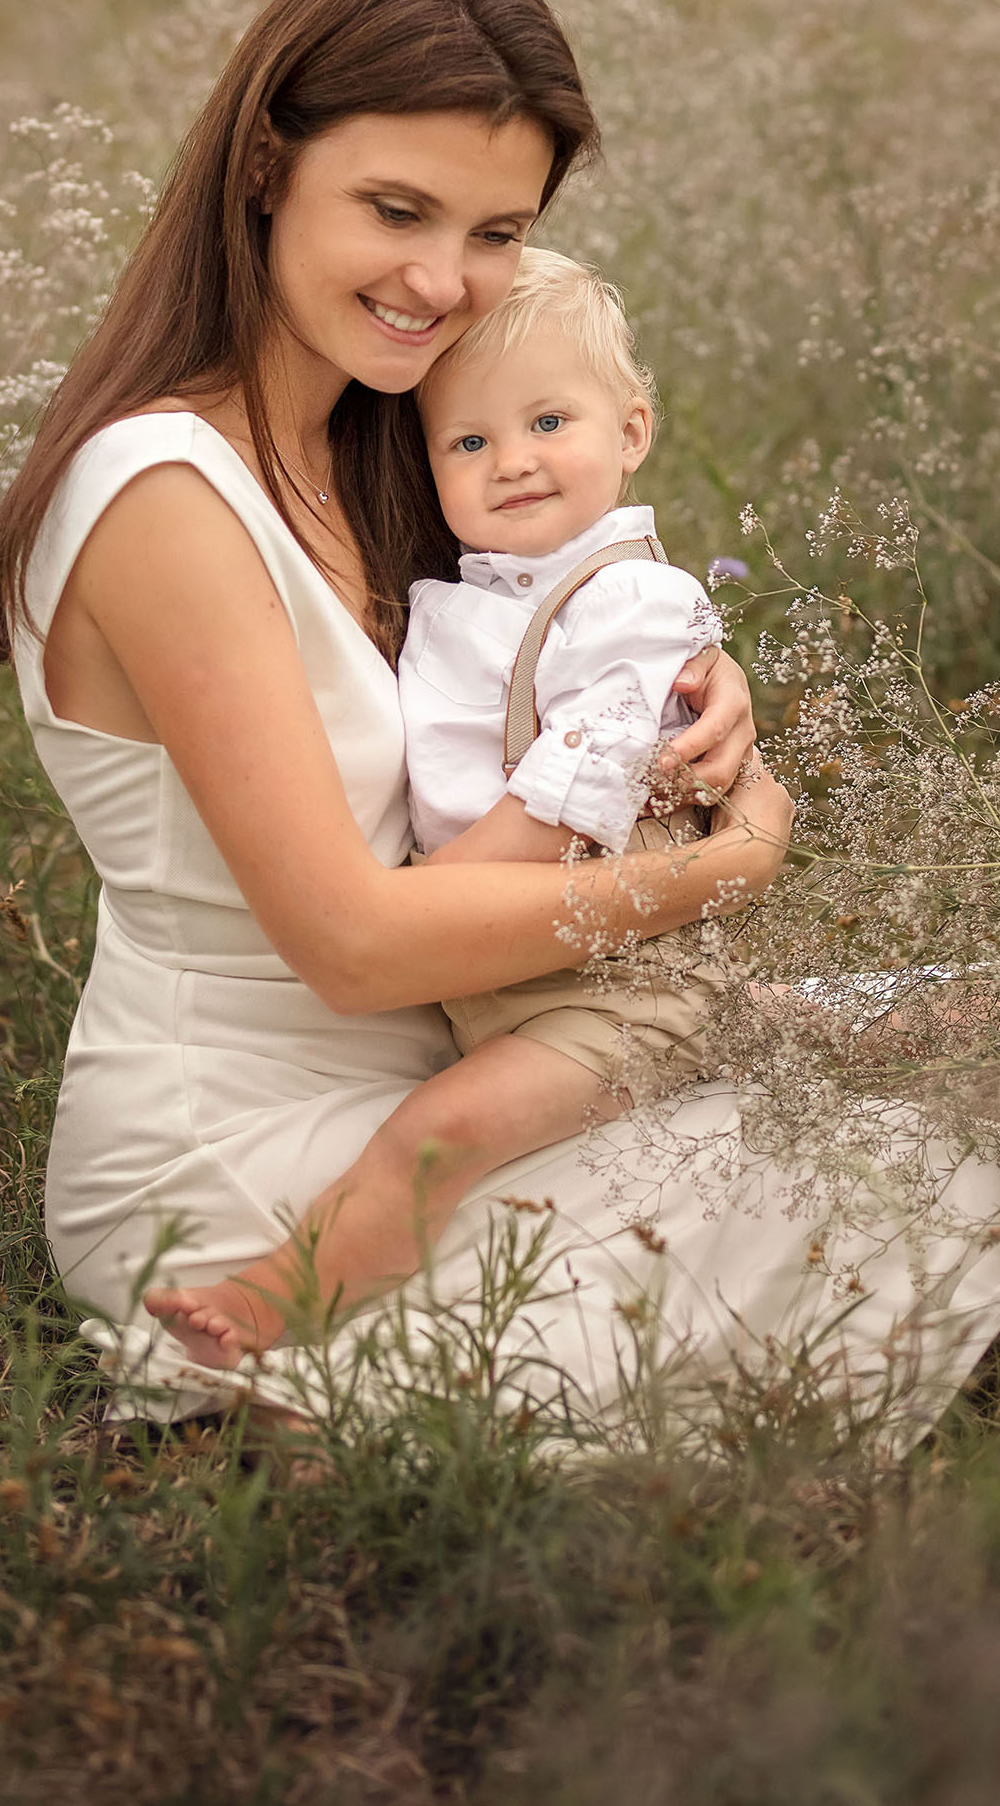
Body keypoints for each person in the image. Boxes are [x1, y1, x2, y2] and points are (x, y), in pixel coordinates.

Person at [0, 0, 1000, 1432]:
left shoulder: (382, 435)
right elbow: (349, 949)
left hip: (460, 1056)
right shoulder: (165, 491)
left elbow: (541, 646)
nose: (442, 282)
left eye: (495, 230)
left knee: (929, 1094)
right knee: (861, 1190)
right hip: (244, 1153)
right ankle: (303, 1381)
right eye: (395, 210)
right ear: (264, 165)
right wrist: (727, 865)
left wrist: (694, 682)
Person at [143, 247, 795, 1369]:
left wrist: (424, 897)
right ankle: (921, 1015)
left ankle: (277, 1304)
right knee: (759, 1034)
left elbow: (573, 794)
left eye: (548, 422)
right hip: (522, 973)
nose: (513, 462)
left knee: (435, 1137)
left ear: (632, 433)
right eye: (469, 442)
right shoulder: (469, 592)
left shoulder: (635, 596)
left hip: (607, 986)